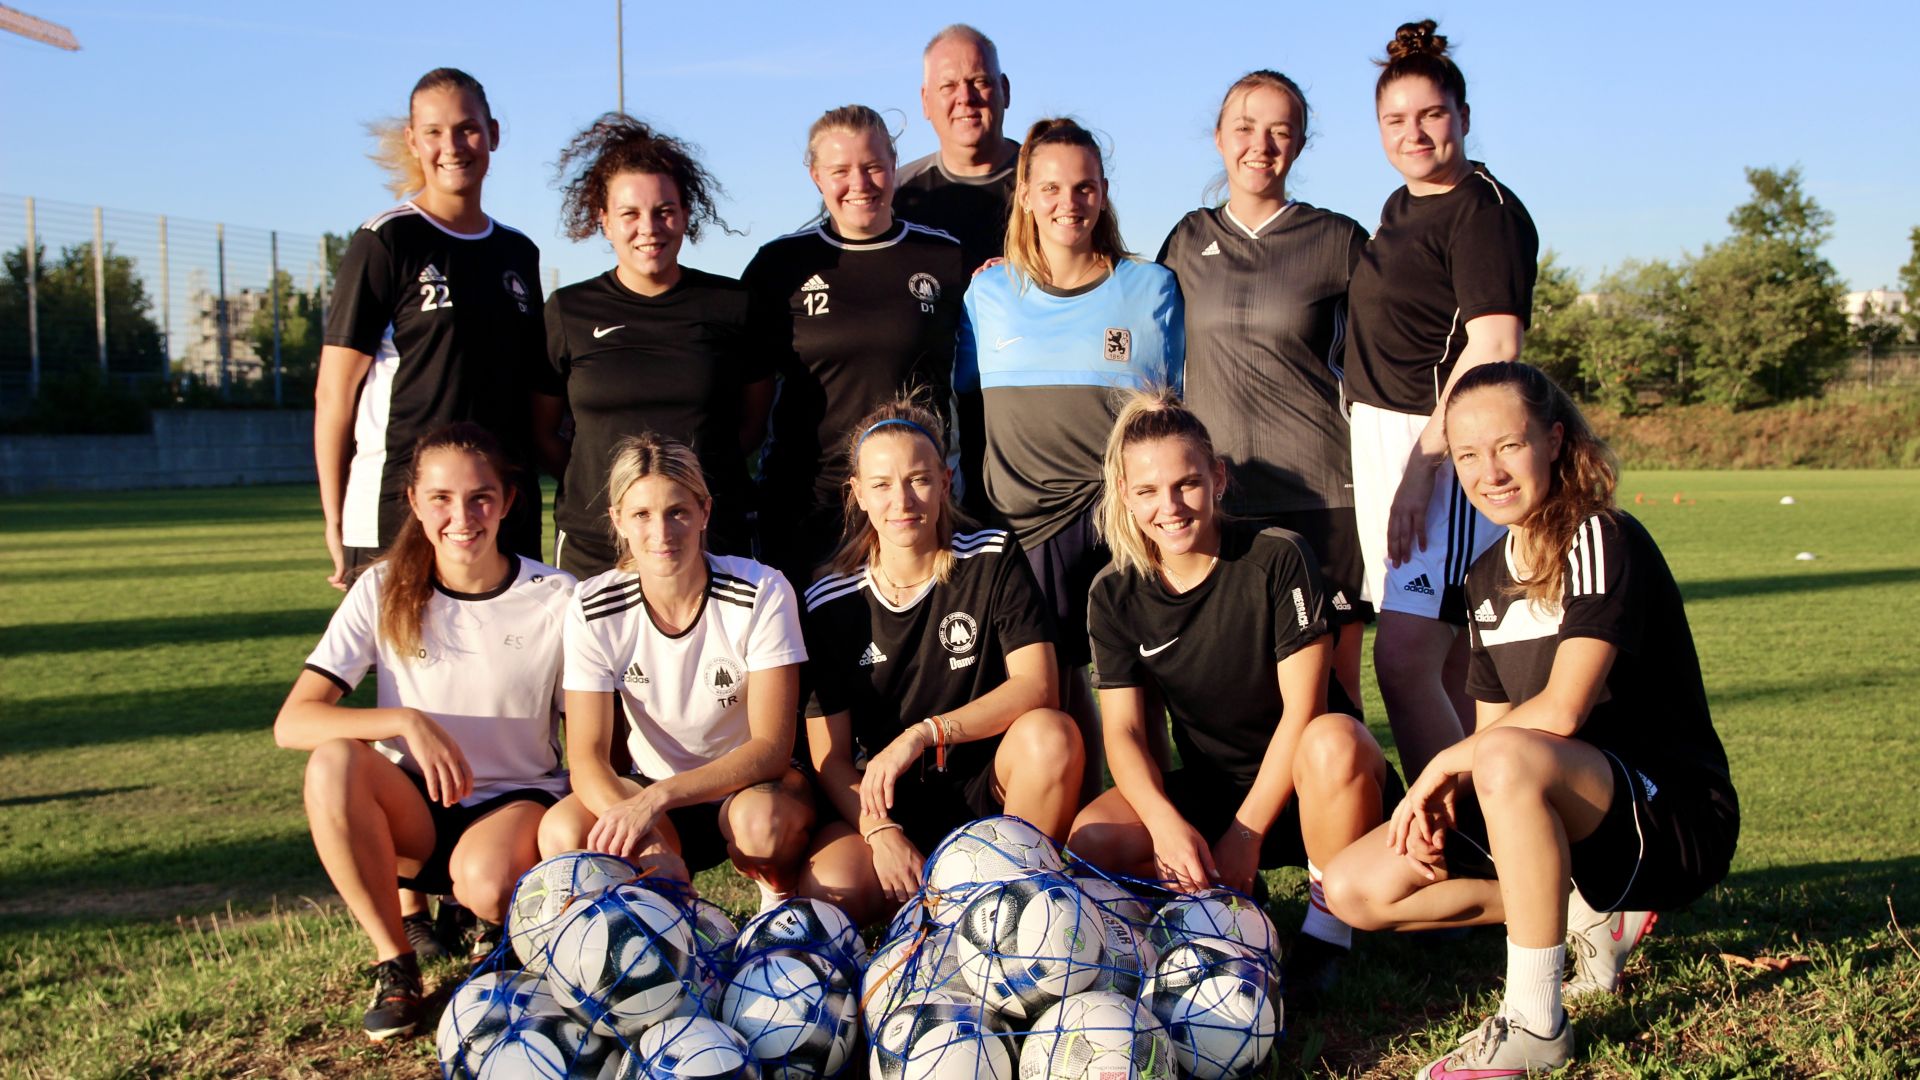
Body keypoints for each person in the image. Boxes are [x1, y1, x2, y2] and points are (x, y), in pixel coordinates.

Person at [1322, 362, 1738, 1077]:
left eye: (1509, 446)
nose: (1491, 471)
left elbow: (1564, 709)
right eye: (1468, 455)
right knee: (1353, 886)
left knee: (1503, 757)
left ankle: (1535, 1023)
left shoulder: (1600, 535)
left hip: (1669, 816)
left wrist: (1447, 767)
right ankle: (1585, 916)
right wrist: (1448, 795)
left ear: (1552, 439)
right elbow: (1494, 729)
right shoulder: (1484, 574)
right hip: (1552, 801)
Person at [1066, 391, 1394, 998]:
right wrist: (1166, 824)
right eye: (1147, 491)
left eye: (1188, 483)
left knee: (1330, 740)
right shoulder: (1113, 593)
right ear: (1124, 493)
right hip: (1218, 785)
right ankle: (1224, 897)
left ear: (1217, 477)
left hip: (1317, 783)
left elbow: (1307, 710)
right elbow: (1126, 734)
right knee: (1091, 839)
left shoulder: (1276, 556)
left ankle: (1327, 933)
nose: (1170, 506)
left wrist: (1246, 834)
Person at [275, 422, 573, 1041]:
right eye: (440, 498)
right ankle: (396, 963)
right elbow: (293, 721)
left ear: (508, 501)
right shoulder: (382, 588)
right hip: (416, 806)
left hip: (516, 800)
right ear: (413, 501)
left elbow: (591, 723)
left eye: (480, 497)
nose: (461, 516)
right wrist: (405, 720)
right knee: (332, 761)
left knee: (487, 884)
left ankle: (496, 925)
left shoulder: (556, 596)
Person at [956, 117, 1182, 797]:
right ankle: (1079, 845)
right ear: (1023, 193)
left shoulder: (1152, 288)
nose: (1069, 202)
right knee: (1057, 691)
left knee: (1145, 684)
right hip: (1029, 524)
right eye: (1050, 187)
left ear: (1104, 192)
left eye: (1084, 187)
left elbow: (1170, 416)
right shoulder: (987, 295)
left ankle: (1164, 839)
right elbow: (967, 410)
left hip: (1126, 516)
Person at [795, 398, 1082, 926]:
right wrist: (879, 829)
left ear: (946, 482)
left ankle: (1012, 916)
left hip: (988, 786)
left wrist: (925, 733)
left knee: (1051, 736)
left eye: (919, 479)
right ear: (856, 494)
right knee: (827, 888)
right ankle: (932, 914)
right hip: (887, 799)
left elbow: (1038, 689)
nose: (901, 500)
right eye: (881, 484)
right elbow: (830, 759)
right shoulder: (828, 600)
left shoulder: (992, 556)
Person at [1343, 20, 1540, 780]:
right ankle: (1491, 841)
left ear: (1461, 114)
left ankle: (1459, 827)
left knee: (1404, 660)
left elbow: (1494, 347)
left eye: (1430, 115)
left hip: (1439, 450)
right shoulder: (1400, 206)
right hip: (1386, 440)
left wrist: (1428, 466)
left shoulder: (1481, 209)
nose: (1414, 133)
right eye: (1396, 120)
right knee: (1448, 665)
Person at [1157, 70, 1372, 711]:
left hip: (1321, 495)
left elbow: (1392, 350)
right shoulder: (1187, 240)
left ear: (1300, 144)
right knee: (1243, 691)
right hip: (1222, 500)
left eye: (1281, 131)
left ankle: (1350, 813)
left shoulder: (1338, 240)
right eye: (1246, 128)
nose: (1261, 145)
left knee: (1334, 697)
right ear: (1219, 138)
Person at [538, 434, 815, 912]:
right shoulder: (592, 605)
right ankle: (650, 926)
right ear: (618, 520)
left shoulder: (762, 590)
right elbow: (585, 757)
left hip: (744, 786)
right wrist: (646, 835)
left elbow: (771, 750)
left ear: (705, 512)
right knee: (562, 830)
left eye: (677, 512)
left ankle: (778, 908)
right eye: (642, 515)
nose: (661, 532)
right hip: (649, 785)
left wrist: (659, 798)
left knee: (764, 826)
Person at [317, 67, 547, 590]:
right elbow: (334, 394)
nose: (452, 146)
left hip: (503, 509)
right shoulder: (386, 242)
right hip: (400, 508)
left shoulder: (518, 253)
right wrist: (333, 518)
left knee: (516, 671)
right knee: (409, 672)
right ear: (413, 141)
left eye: (466, 128)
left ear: (492, 133)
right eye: (435, 132)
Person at [744, 105, 966, 591]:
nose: (859, 183)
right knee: (812, 658)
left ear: (893, 164)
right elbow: (749, 398)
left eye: (872, 166)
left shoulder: (945, 259)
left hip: (912, 504)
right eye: (840, 171)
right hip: (809, 506)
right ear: (816, 177)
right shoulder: (780, 266)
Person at [541, 114, 767, 576]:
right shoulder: (569, 311)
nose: (650, 227)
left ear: (685, 214)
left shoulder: (732, 305)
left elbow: (751, 425)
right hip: (596, 547)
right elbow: (543, 433)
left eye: (665, 210)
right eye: (630, 214)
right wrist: (605, 486)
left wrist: (692, 489)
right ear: (604, 221)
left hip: (710, 541)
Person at [893, 24, 1021, 275]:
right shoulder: (897, 196)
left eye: (979, 81)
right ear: (925, 101)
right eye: (948, 86)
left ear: (1004, 90)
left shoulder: (1052, 185)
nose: (965, 96)